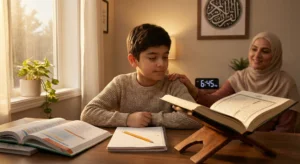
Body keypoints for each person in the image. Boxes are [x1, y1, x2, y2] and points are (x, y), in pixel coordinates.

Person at [168, 32, 300, 133]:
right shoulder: (240, 77)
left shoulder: (286, 83)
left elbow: (286, 128)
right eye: (254, 49)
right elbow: (214, 101)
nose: (257, 55)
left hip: (269, 143)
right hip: (236, 138)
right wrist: (191, 88)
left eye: (265, 51)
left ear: (275, 55)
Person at [80, 23, 201, 129]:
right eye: (152, 58)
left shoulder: (173, 83)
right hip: (127, 146)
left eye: (165, 57)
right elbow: (88, 113)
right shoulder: (121, 83)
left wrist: (149, 119)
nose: (162, 64)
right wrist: (128, 119)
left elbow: (194, 118)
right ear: (133, 60)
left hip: (166, 148)